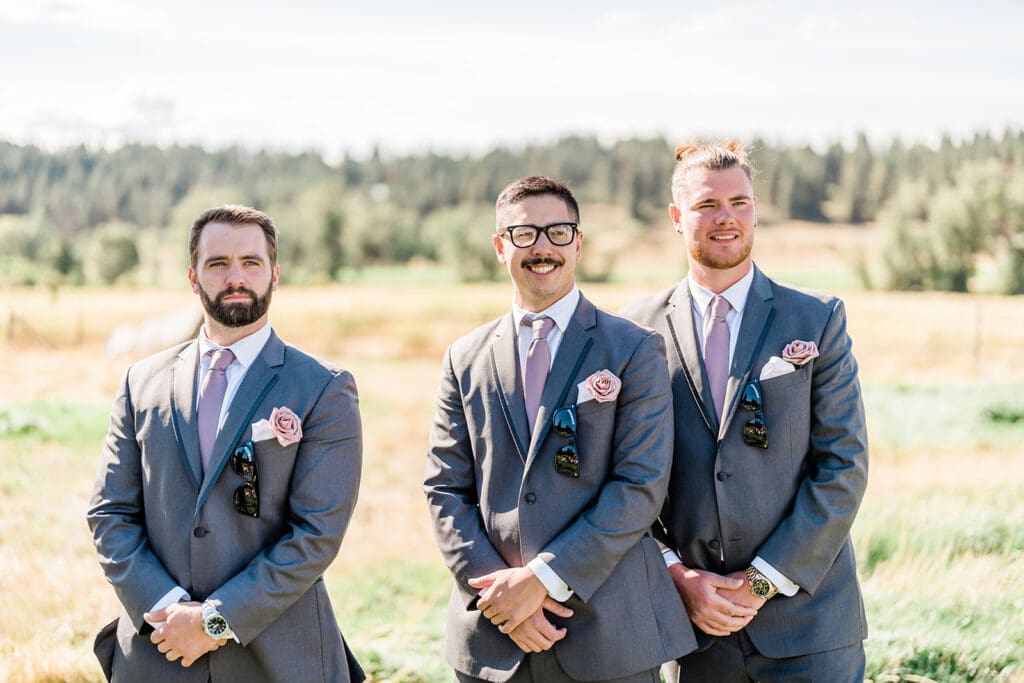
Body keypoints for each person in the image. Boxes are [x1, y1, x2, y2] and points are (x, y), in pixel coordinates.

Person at [424, 176, 696, 683]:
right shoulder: (464, 358)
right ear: (500, 246)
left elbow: (640, 484)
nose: (542, 247)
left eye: (558, 232)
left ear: (579, 243)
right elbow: (444, 487)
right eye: (524, 234)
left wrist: (544, 580)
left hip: (610, 634)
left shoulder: (634, 349)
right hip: (493, 635)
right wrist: (504, 599)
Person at [622, 140, 869, 682]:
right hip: (694, 634)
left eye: (740, 202)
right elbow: (620, 484)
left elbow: (843, 467)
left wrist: (759, 582)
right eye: (707, 205)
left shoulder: (817, 319)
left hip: (811, 630)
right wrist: (678, 578)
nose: (726, 218)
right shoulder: (632, 333)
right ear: (676, 217)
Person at [87, 204, 364, 682]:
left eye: (250, 263)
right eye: (217, 264)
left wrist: (215, 621)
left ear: (275, 274)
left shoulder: (324, 388)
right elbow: (110, 514)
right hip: (160, 649)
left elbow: (316, 533)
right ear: (193, 277)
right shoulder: (141, 382)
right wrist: (169, 609)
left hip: (278, 657)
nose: (235, 277)